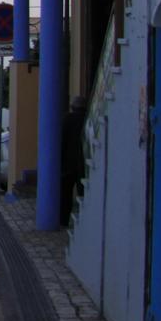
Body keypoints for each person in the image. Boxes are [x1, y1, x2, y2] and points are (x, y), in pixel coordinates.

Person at [60, 96, 87, 226]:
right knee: (83, 194)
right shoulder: (87, 120)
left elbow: (61, 142)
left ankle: (63, 220)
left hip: (67, 163)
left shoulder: (67, 119)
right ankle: (85, 219)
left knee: (65, 195)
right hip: (83, 163)